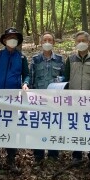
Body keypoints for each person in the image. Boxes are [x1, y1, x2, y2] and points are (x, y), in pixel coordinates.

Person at [0, 27, 30, 172]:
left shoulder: (22, 57)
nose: (12, 40)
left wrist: (25, 83)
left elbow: (26, 74)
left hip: (13, 99)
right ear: (5, 40)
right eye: (9, 37)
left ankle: (11, 160)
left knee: (11, 128)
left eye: (15, 38)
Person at [64, 31, 90, 169]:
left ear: (88, 42)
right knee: (76, 126)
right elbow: (65, 79)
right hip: (73, 100)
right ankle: (76, 155)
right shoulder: (70, 59)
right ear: (75, 43)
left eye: (83, 40)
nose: (81, 43)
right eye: (78, 40)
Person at [29, 31, 64, 164]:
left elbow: (65, 78)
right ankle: (38, 154)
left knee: (54, 126)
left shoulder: (60, 60)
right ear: (41, 42)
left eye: (50, 40)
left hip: (55, 100)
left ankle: (53, 155)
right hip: (39, 100)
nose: (47, 43)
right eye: (45, 40)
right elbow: (31, 79)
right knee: (39, 126)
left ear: (53, 42)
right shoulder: (35, 60)